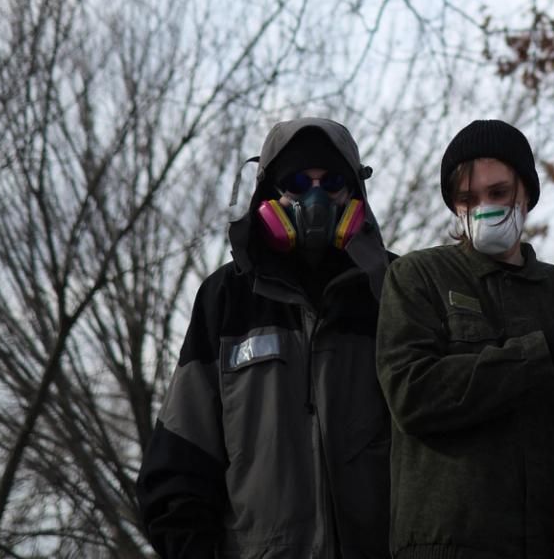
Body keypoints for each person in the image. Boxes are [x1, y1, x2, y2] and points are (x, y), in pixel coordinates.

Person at [138, 118, 392, 559]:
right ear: (269, 195)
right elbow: (179, 462)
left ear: (354, 196)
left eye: (331, 181)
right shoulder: (225, 299)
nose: (315, 197)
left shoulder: (394, 291)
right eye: (297, 181)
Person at [375, 118, 554, 559]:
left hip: (546, 544)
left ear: (525, 193)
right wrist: (541, 353)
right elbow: (412, 394)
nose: (485, 208)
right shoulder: (417, 279)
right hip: (446, 546)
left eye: (498, 193)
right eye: (468, 198)